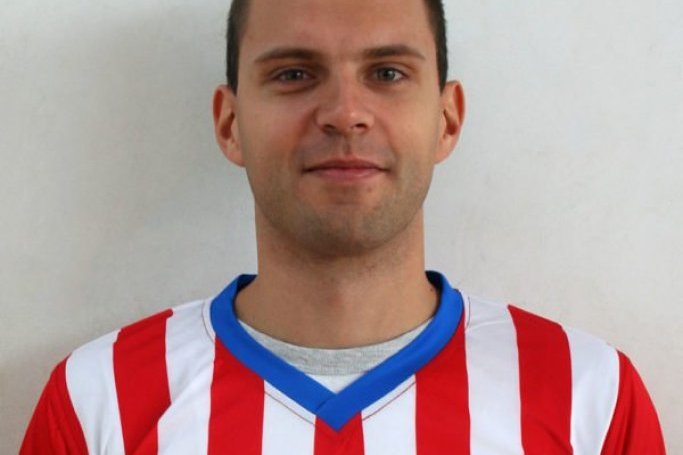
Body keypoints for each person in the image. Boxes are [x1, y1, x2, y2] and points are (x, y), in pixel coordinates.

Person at [21, 0, 665, 453]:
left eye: (387, 73)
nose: (344, 112)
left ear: (446, 120)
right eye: (294, 74)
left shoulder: (589, 396)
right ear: (230, 123)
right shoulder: (98, 399)